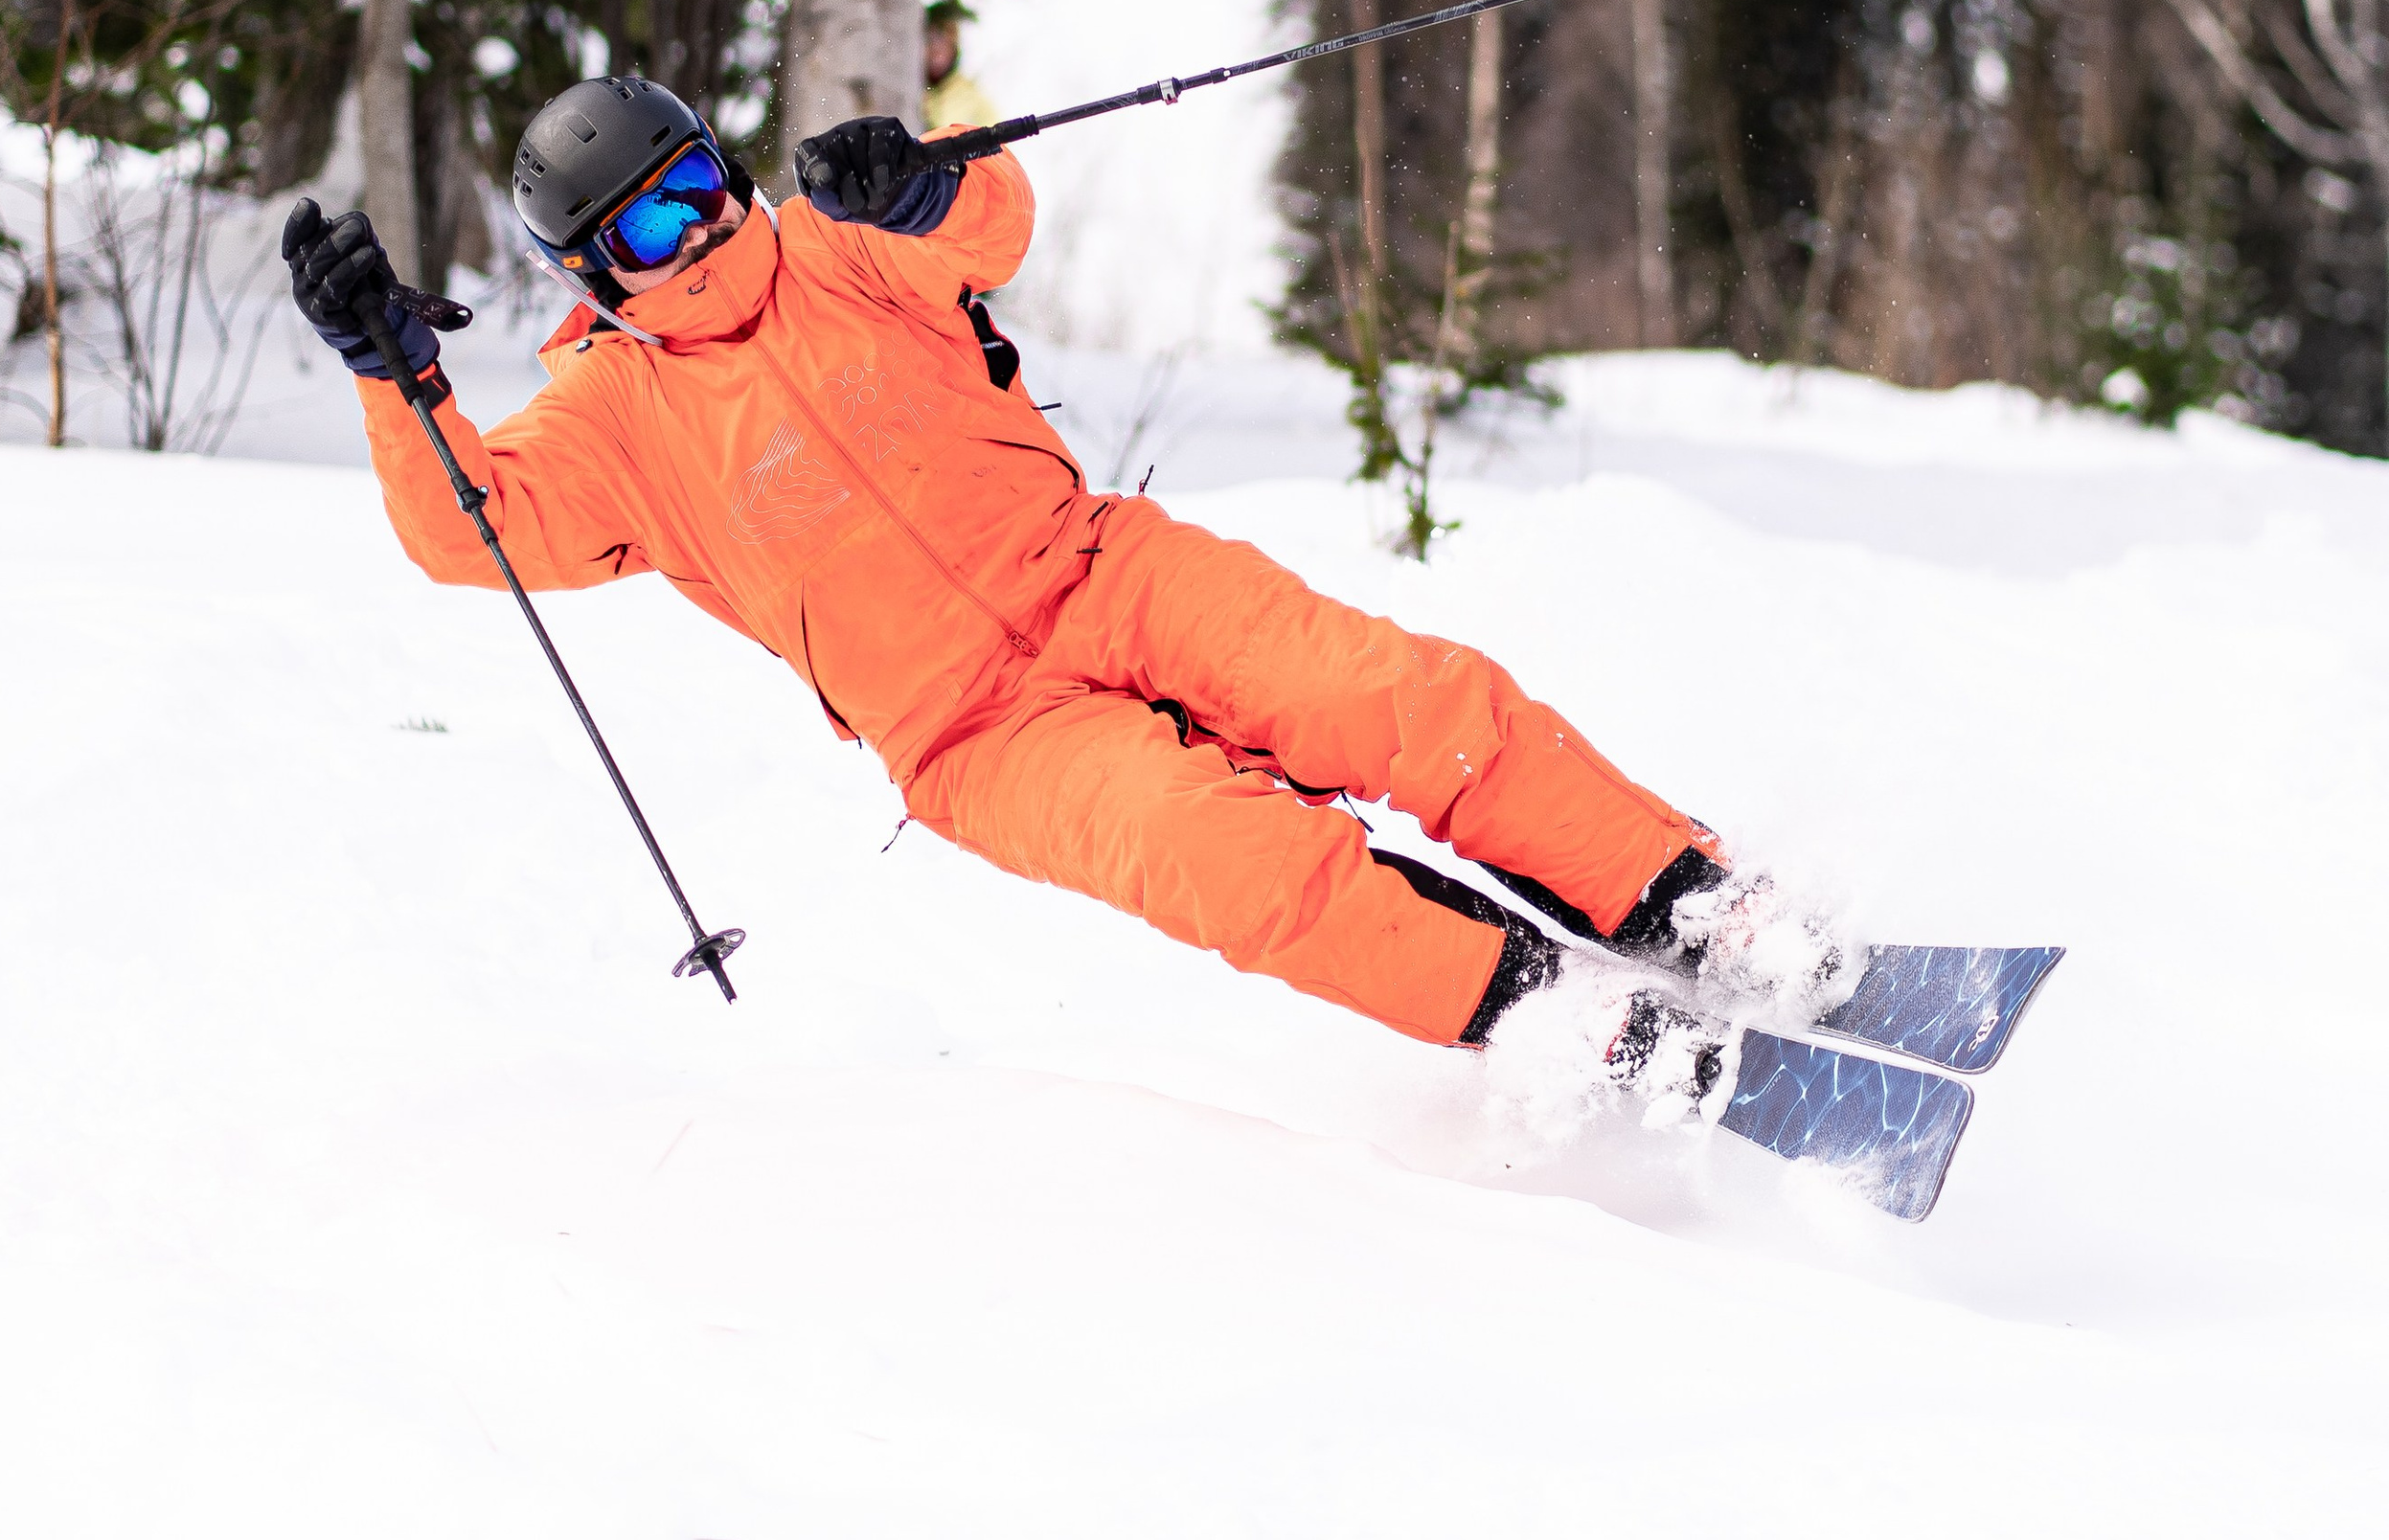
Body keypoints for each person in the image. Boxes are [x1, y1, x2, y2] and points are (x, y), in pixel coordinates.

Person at [281, 80, 1852, 1101]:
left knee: (1403, 704)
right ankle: (1560, 1016)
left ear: (732, 173)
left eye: (697, 192)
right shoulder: (609, 420)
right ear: (588, 277)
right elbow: (467, 531)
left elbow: (996, 221)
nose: (689, 242)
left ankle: (1690, 902)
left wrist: (914, 185)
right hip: (974, 735)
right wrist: (393, 378)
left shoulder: (838, 249)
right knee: (1232, 858)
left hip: (1102, 570)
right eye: (641, 233)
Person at [921, 1, 994, 137]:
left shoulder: (970, 95)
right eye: (930, 45)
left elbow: (999, 144)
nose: (936, 56)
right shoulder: (907, 88)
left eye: (943, 48)